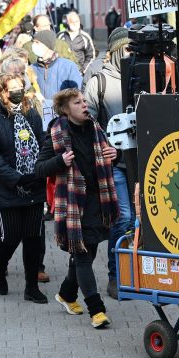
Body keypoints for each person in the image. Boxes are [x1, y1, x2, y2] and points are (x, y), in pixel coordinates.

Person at [35, 88, 118, 327]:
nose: (84, 105)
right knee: (82, 256)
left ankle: (66, 294)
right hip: (72, 204)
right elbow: (40, 169)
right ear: (65, 109)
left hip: (97, 202)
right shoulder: (56, 133)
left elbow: (112, 156)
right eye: (77, 102)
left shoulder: (96, 128)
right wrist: (60, 161)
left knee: (88, 254)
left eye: (84, 101)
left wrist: (117, 153)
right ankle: (97, 311)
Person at [0, 72, 48, 303]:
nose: (18, 92)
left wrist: (38, 172)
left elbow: (43, 143)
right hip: (9, 187)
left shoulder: (32, 114)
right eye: (13, 88)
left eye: (21, 87)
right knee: (10, 236)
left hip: (34, 184)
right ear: (1, 93)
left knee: (33, 238)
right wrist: (16, 178)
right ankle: (0, 267)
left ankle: (31, 287)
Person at [83, 27, 132, 299]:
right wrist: (103, 148)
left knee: (139, 221)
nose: (129, 54)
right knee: (123, 217)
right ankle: (115, 276)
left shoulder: (142, 76)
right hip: (116, 165)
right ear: (114, 51)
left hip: (141, 164)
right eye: (125, 49)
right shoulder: (98, 82)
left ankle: (136, 272)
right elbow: (86, 124)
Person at [30, 30, 83, 127]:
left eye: (37, 42)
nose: (33, 45)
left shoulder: (69, 66)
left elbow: (77, 94)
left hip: (65, 122)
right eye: (33, 42)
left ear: (47, 45)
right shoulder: (31, 69)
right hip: (39, 123)